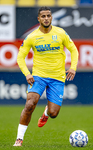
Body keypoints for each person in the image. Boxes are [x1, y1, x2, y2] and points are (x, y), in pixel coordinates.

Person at [13, 6, 79, 146]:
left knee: (54, 114)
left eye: (48, 15)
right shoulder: (32, 36)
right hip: (38, 76)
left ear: (51, 17)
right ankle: (19, 139)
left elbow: (73, 50)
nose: (46, 18)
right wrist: (27, 74)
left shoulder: (60, 33)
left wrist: (73, 68)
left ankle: (46, 112)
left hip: (57, 77)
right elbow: (20, 57)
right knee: (30, 104)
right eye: (43, 16)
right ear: (39, 19)